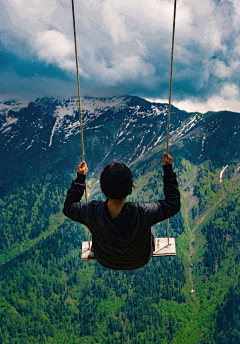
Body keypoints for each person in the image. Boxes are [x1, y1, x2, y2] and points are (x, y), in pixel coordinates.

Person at [63, 153, 180, 270]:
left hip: (105, 259)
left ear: (103, 188)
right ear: (129, 188)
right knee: (149, 226)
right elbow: (173, 204)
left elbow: (69, 207)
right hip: (140, 259)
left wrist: (80, 178)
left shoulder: (92, 211)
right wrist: (168, 169)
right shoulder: (143, 212)